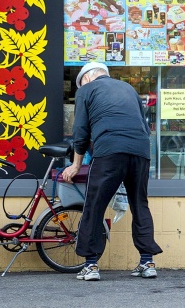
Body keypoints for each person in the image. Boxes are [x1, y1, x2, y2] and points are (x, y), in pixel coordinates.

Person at [62, 62, 162, 281]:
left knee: (95, 204)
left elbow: (80, 131)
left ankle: (90, 265)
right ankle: (147, 262)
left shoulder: (86, 90)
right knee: (139, 203)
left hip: (109, 150)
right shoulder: (129, 89)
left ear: (86, 78)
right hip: (140, 150)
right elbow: (145, 127)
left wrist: (76, 165)